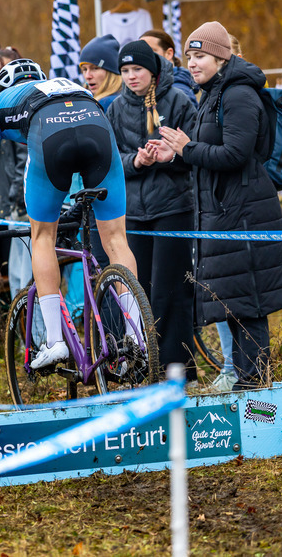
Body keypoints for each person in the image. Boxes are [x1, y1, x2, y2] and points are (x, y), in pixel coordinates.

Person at [151, 21, 282, 390]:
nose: (192, 63)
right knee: (233, 303)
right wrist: (176, 155)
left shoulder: (238, 95)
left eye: (199, 56)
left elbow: (235, 154)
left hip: (243, 215)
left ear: (221, 57)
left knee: (247, 305)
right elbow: (207, 156)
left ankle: (254, 390)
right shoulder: (212, 94)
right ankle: (247, 386)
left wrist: (188, 148)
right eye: (189, 56)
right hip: (223, 215)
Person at [0, 59, 138, 369]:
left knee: (42, 237)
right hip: (97, 128)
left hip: (49, 138)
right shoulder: (64, 85)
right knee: (115, 238)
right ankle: (137, 336)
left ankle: (55, 342)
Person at [107, 40, 198, 380]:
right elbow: (111, 160)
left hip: (173, 207)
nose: (131, 77)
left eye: (138, 70)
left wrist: (171, 156)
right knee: (136, 290)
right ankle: (141, 366)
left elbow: (195, 154)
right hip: (132, 213)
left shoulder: (178, 101)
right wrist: (137, 160)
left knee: (171, 290)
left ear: (154, 72)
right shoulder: (114, 109)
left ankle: (178, 370)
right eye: (125, 71)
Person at [0, 48, 31, 296]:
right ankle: (23, 331)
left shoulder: (18, 105)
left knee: (27, 275)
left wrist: (15, 199)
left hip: (23, 203)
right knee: (15, 273)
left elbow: (23, 158)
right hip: (10, 202)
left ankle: (39, 333)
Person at [140, 29, 198, 106]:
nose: (144, 57)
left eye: (150, 52)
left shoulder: (180, 91)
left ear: (169, 53)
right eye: (141, 53)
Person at [79, 34, 122, 109]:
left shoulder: (108, 103)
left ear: (111, 72)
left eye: (95, 68)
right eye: (85, 69)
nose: (87, 76)